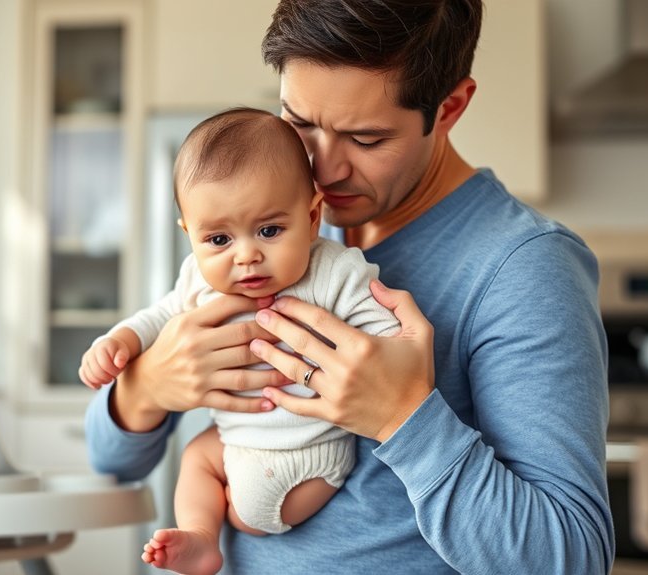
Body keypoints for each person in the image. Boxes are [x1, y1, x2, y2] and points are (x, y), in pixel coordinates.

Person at [84, 1, 615, 573]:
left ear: (451, 106)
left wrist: (404, 418)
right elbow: (111, 460)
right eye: (300, 122)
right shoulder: (274, 228)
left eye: (366, 138)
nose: (323, 168)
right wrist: (146, 388)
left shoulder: (524, 268)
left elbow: (572, 558)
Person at [79, 107, 399, 574]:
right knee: (196, 456)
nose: (246, 255)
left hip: (307, 461)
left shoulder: (334, 271)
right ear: (190, 236)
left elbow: (384, 336)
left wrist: (395, 343)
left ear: (312, 218)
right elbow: (162, 316)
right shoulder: (198, 281)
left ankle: (218, 526)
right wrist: (122, 342)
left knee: (205, 461)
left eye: (270, 231)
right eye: (218, 239)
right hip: (234, 451)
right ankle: (202, 537)